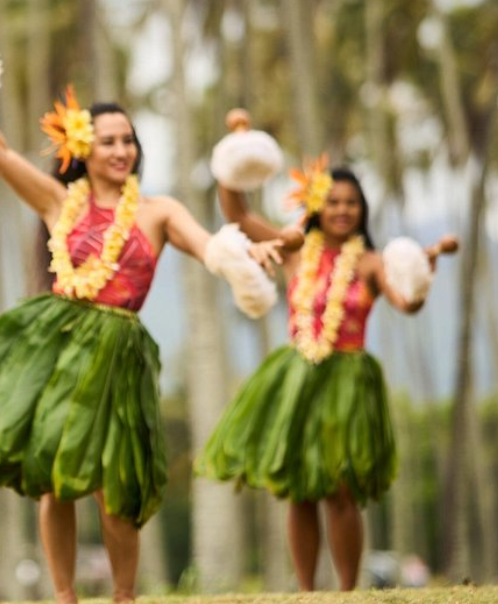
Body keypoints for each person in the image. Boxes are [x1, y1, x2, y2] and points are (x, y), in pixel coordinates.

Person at [0, 89, 282, 603]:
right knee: (54, 479)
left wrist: (244, 252)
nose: (122, 150)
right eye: (109, 141)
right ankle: (64, 596)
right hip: (57, 348)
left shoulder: (158, 210)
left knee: (115, 486)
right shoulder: (59, 202)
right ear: (84, 149)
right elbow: (5, 158)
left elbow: (209, 245)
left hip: (120, 354)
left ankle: (124, 596)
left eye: (129, 140)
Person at [196, 109, 457, 591]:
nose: (342, 210)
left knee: (339, 489)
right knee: (299, 489)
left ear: (363, 209)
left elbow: (406, 303)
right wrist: (237, 150)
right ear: (317, 206)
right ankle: (308, 593)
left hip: (348, 381)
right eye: (333, 201)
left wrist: (422, 279)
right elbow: (236, 214)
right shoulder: (295, 249)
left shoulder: (374, 262)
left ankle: (348, 591)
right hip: (299, 376)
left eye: (351, 203)